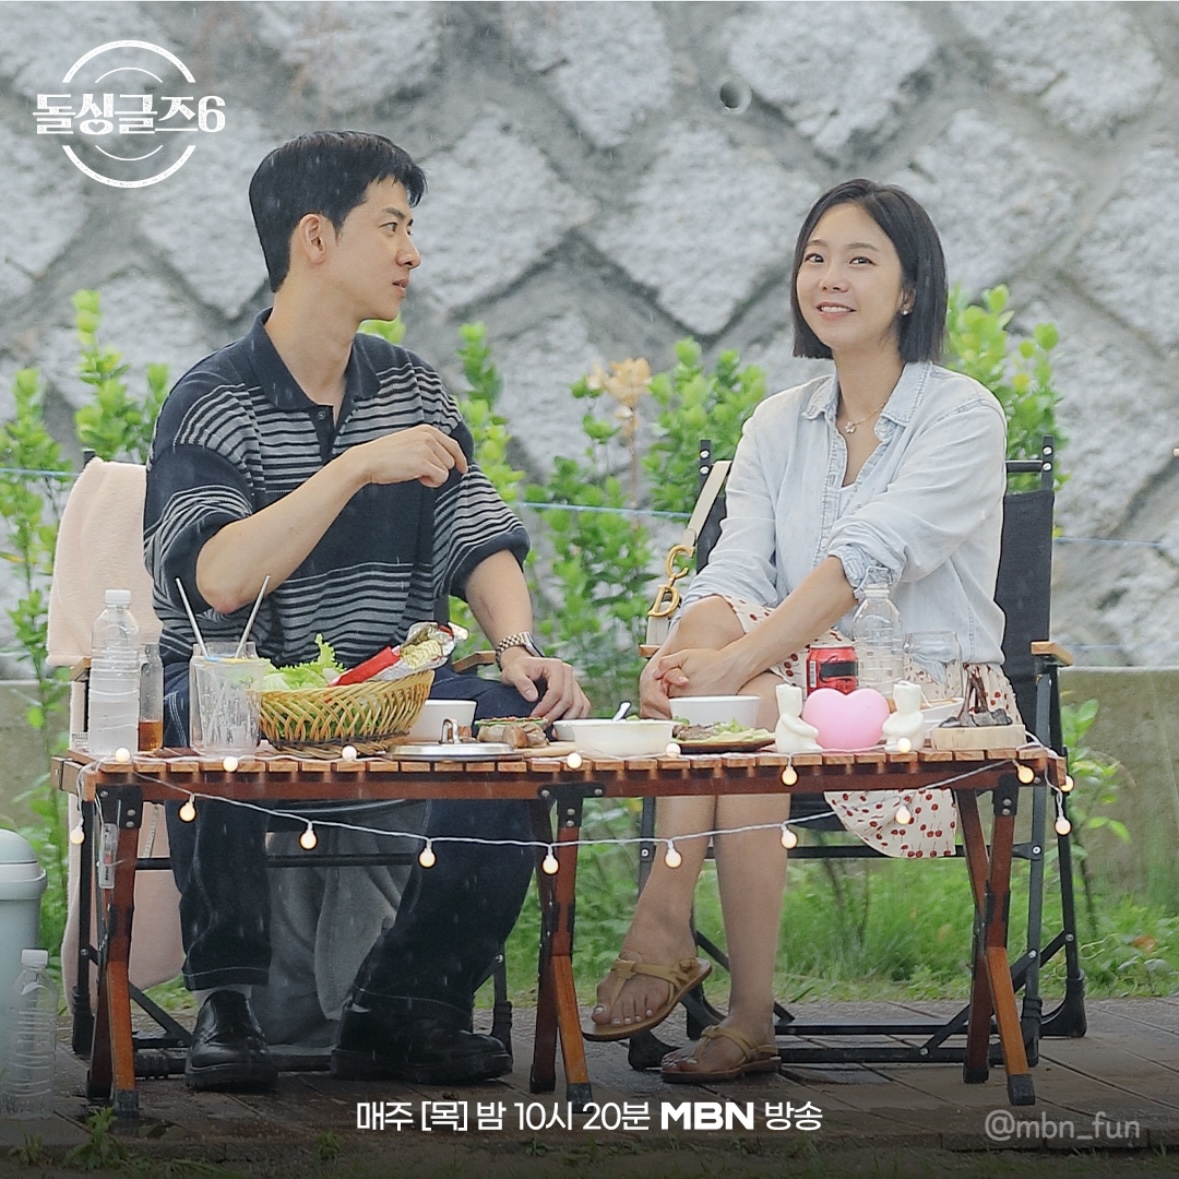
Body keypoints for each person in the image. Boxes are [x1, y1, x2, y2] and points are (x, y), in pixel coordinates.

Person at [143, 130, 590, 1091]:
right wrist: (353, 467)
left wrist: (517, 647)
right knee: (214, 712)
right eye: (390, 226)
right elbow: (217, 578)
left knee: (516, 729)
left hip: (388, 692)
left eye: (409, 228)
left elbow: (476, 531)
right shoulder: (212, 399)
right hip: (240, 687)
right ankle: (228, 1003)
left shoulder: (413, 386)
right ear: (315, 237)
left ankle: (407, 1004)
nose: (410, 253)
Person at [585, 179, 1015, 1083]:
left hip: (925, 705)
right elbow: (736, 568)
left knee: (742, 698)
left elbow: (867, 559)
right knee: (725, 659)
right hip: (789, 694)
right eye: (815, 258)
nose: (829, 278)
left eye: (859, 260)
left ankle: (670, 921)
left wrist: (729, 662)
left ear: (909, 289)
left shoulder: (961, 415)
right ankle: (733, 1002)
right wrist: (682, 653)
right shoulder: (777, 423)